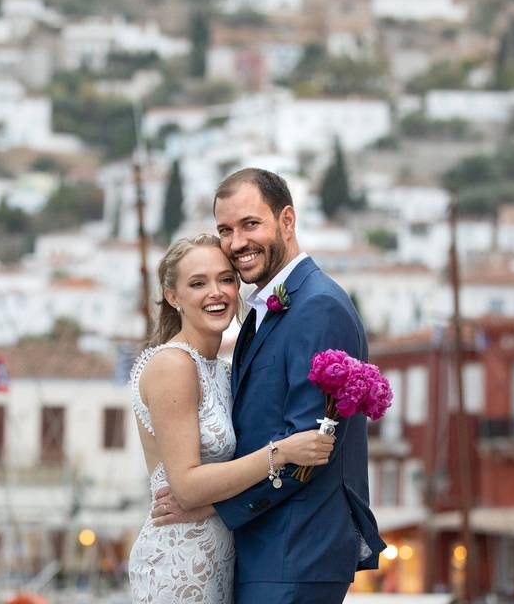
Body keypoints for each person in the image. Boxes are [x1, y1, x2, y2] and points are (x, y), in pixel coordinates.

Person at [152, 169, 385, 603]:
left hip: (295, 553)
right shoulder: (267, 311)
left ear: (287, 221)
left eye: (250, 224)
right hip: (267, 552)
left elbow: (309, 448)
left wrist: (211, 506)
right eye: (225, 230)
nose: (237, 242)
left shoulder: (317, 307)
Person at [128, 233, 335, 604]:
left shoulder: (223, 371)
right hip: (178, 562)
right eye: (198, 283)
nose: (216, 292)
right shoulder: (172, 365)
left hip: (222, 556)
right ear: (173, 296)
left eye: (225, 279)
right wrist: (281, 452)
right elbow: (187, 486)